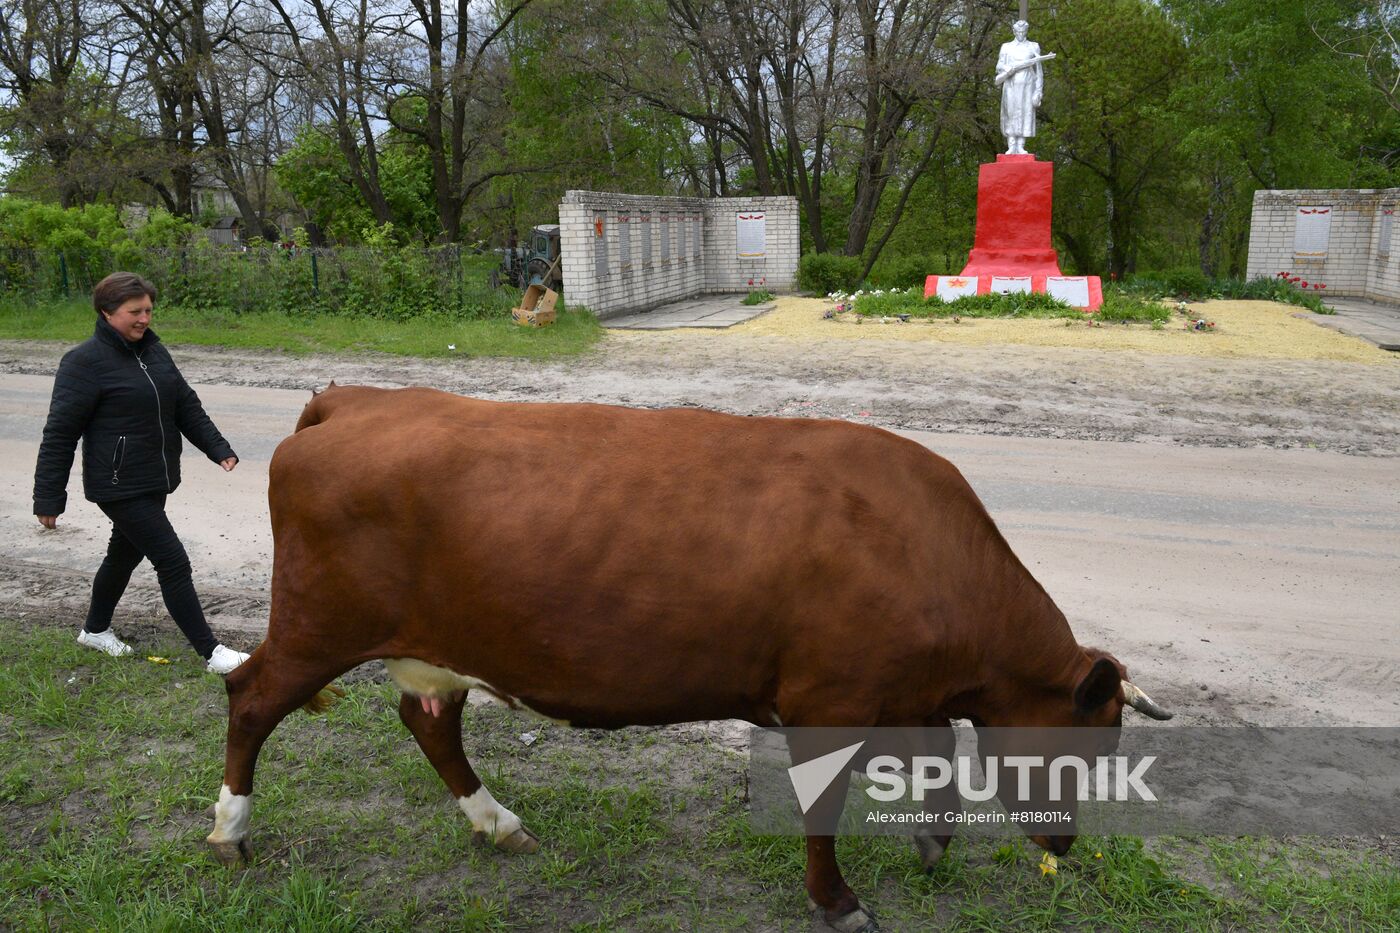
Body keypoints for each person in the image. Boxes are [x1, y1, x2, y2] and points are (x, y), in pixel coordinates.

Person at [33, 272, 250, 675]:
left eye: (148, 309)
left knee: (123, 554)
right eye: (134, 311)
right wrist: (48, 497)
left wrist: (218, 448)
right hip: (117, 484)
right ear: (106, 312)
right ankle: (213, 653)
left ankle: (95, 630)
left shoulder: (154, 352)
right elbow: (59, 434)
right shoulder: (83, 362)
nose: (144, 319)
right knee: (172, 559)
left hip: (154, 476)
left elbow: (185, 404)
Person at [997, 20, 1048, 156]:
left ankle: (1020, 146)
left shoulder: (1033, 46)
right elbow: (999, 66)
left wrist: (1038, 91)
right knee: (1011, 113)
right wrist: (1009, 69)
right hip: (1011, 84)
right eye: (1018, 31)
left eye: (1023, 31)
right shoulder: (1006, 47)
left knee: (1025, 113)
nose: (1021, 34)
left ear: (1026, 31)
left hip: (1027, 85)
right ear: (1014, 32)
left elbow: (1039, 71)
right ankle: (1011, 145)